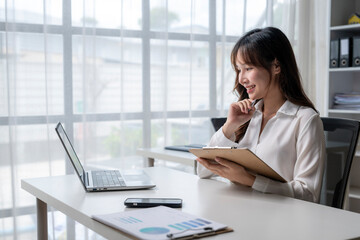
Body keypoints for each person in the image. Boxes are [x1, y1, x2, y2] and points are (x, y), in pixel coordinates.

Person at [196, 27, 325, 203]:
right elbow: (203, 171)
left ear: (276, 66)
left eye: (248, 68)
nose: (241, 79)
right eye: (238, 70)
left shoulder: (305, 119)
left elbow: (308, 194)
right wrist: (229, 126)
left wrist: (249, 180)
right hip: (240, 210)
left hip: (279, 221)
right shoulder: (247, 115)